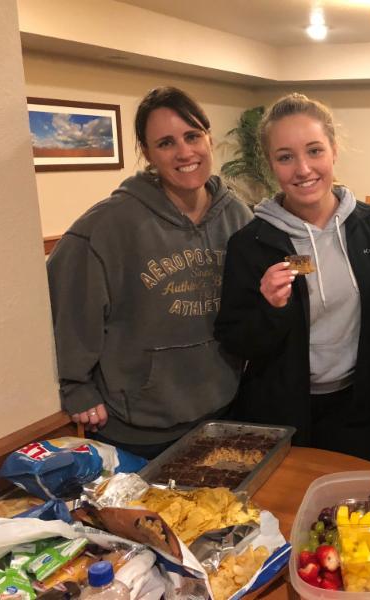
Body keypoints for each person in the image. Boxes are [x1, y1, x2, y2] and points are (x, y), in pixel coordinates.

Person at [47, 86, 252, 459]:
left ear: (209, 138)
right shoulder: (105, 227)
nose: (184, 152)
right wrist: (76, 387)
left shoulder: (238, 216)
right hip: (139, 429)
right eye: (166, 143)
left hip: (224, 411)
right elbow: (70, 313)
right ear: (147, 152)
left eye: (192, 136)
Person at [214, 93, 370, 463]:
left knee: (351, 496)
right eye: (285, 157)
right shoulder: (250, 243)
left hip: (355, 407)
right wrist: (271, 308)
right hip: (281, 412)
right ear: (271, 164)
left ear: (334, 151)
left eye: (314, 151)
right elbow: (236, 340)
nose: (303, 169)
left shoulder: (369, 225)